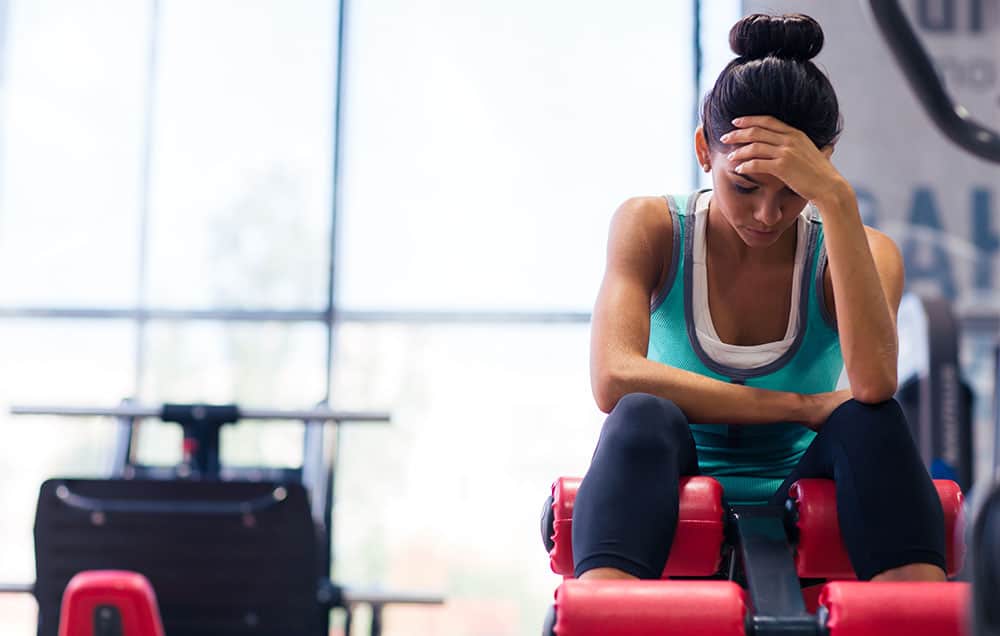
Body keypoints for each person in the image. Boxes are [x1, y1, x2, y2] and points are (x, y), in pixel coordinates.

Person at [572, 13, 947, 584]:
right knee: (641, 414)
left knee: (872, 420)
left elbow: (872, 385)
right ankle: (607, 609)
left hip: (807, 475)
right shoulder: (651, 227)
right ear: (705, 149)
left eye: (795, 189)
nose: (768, 214)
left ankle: (913, 611)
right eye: (744, 186)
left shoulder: (863, 250)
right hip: (667, 475)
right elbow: (615, 378)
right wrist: (798, 407)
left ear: (826, 163)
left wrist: (838, 201)